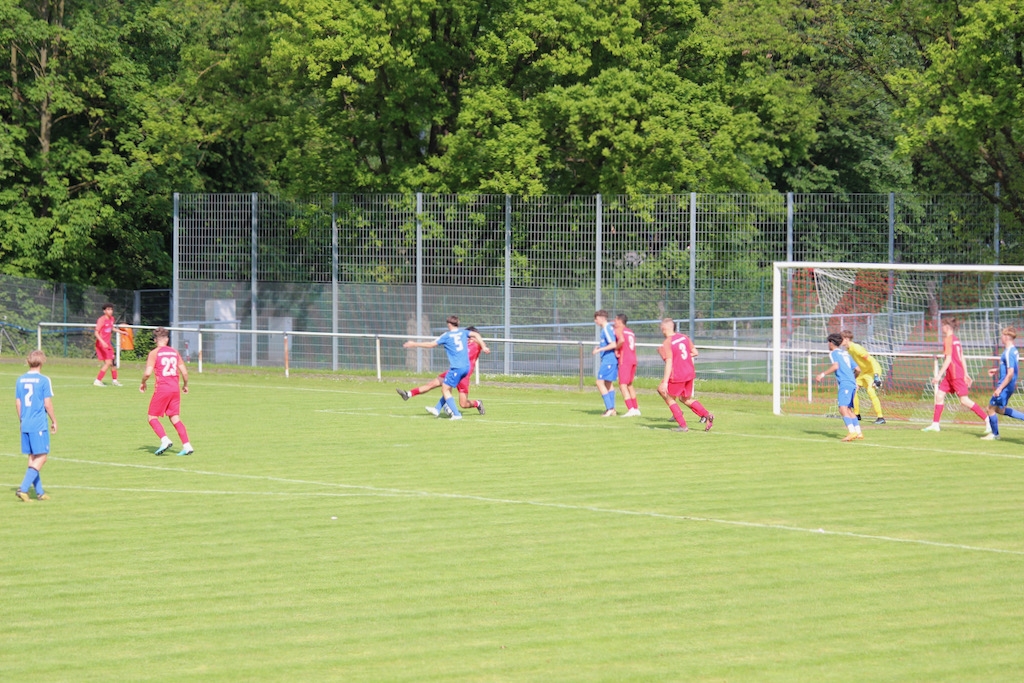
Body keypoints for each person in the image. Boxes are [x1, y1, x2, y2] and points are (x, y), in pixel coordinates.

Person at [403, 316, 486, 420]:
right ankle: (414, 396)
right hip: (455, 370)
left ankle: (476, 404)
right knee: (436, 384)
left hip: (464, 374)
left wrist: (482, 345)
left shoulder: (476, 345)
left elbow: (477, 338)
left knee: (463, 403)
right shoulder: (461, 340)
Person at [922, 316, 989, 432]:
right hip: (950, 375)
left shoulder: (948, 340)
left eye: (942, 325)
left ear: (947, 327)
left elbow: (948, 359)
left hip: (955, 374)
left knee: (964, 400)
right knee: (939, 396)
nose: (941, 328)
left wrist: (938, 375)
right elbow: (961, 357)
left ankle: (988, 420)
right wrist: (966, 373)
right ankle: (935, 424)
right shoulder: (956, 339)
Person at [140, 327, 193, 455]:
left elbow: (147, 373)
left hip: (162, 389)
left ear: (155, 340)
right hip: (175, 389)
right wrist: (185, 385)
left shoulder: (154, 353)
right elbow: (185, 372)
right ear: (167, 339)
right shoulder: (174, 352)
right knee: (175, 417)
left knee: (152, 416)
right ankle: (187, 445)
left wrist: (143, 382)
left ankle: (164, 440)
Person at [14, 350, 57, 502]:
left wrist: (22, 420)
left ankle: (39, 492)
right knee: (42, 457)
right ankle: (23, 489)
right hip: (38, 423)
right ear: (42, 362)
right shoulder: (44, 380)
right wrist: (54, 420)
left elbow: (18, 402)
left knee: (33, 457)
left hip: (25, 422)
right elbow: (47, 403)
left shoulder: (20, 380)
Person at [657, 318, 714, 432]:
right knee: (685, 398)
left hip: (678, 375)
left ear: (664, 328)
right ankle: (707, 415)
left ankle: (682, 425)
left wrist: (666, 382)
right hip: (689, 373)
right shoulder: (684, 337)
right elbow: (695, 352)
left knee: (664, 393)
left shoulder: (667, 343)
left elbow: (669, 362)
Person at [815, 333, 862, 442]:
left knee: (842, 408)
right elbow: (858, 369)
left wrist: (822, 374)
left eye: (828, 342)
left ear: (831, 343)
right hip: (851, 383)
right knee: (848, 409)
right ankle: (858, 432)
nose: (828, 344)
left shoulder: (833, 353)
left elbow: (836, 366)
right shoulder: (846, 353)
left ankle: (851, 432)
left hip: (845, 383)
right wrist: (853, 380)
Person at [983, 326, 1024, 440]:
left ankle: (995, 435)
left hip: (1005, 386)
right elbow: (1010, 368)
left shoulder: (1009, 352)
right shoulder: (1014, 350)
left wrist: (1000, 388)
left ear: (1006, 337)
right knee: (1000, 410)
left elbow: (1010, 373)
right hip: (1009, 385)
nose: (1001, 337)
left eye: (1002, 335)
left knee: (990, 409)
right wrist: (996, 370)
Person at [840, 330, 886, 425]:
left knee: (870, 391)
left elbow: (872, 361)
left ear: (847, 339)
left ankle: (880, 417)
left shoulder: (856, 348)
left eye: (841, 338)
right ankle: (856, 414)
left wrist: (876, 376)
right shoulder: (848, 349)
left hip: (872, 371)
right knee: (854, 389)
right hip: (863, 372)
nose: (840, 340)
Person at [592, 310, 619, 417]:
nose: (595, 321)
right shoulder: (607, 329)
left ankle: (609, 408)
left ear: (602, 318)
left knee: (599, 382)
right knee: (608, 384)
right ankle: (612, 410)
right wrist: (601, 347)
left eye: (596, 318)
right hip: (610, 360)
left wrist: (599, 350)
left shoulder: (607, 329)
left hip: (609, 360)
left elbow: (613, 344)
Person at [614, 314, 641, 417]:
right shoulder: (630, 331)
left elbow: (621, 340)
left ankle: (630, 409)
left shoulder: (619, 330)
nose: (614, 322)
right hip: (633, 358)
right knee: (629, 384)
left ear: (619, 321)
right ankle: (636, 408)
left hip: (625, 359)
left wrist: (616, 348)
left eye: (615, 320)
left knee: (622, 384)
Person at [94, 303, 122, 387]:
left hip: (108, 344)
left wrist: (121, 332)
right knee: (108, 362)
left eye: (111, 309)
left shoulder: (112, 319)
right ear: (104, 311)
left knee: (112, 363)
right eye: (108, 309)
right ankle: (97, 380)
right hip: (101, 344)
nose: (110, 311)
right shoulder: (101, 320)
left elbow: (111, 328)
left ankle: (115, 380)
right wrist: (102, 342)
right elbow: (96, 332)